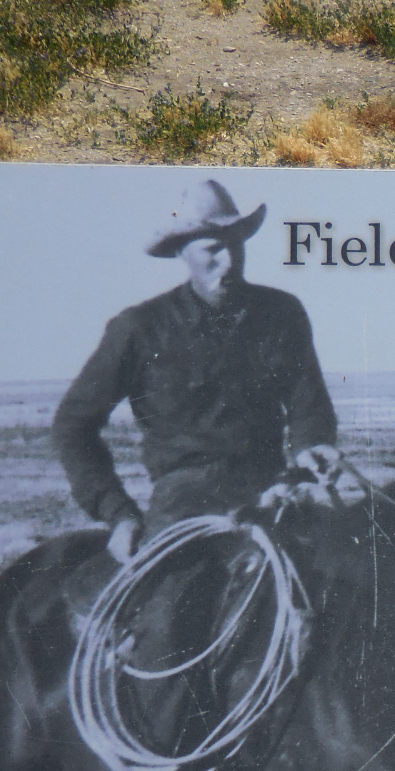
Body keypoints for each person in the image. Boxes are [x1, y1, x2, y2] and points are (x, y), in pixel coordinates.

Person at [53, 179, 340, 564]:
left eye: (236, 245)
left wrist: (313, 446)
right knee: (170, 610)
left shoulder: (282, 314)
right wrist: (117, 514)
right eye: (213, 248)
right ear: (182, 253)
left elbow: (310, 406)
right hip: (183, 505)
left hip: (275, 492)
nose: (229, 260)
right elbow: (72, 426)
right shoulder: (139, 328)